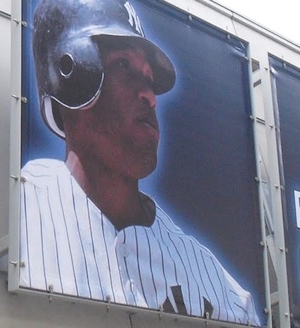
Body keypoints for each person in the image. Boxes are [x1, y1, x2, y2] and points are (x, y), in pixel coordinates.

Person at [19, 0, 261, 325]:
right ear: (70, 74)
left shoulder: (223, 292)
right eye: (123, 66)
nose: (150, 95)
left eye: (149, 78)